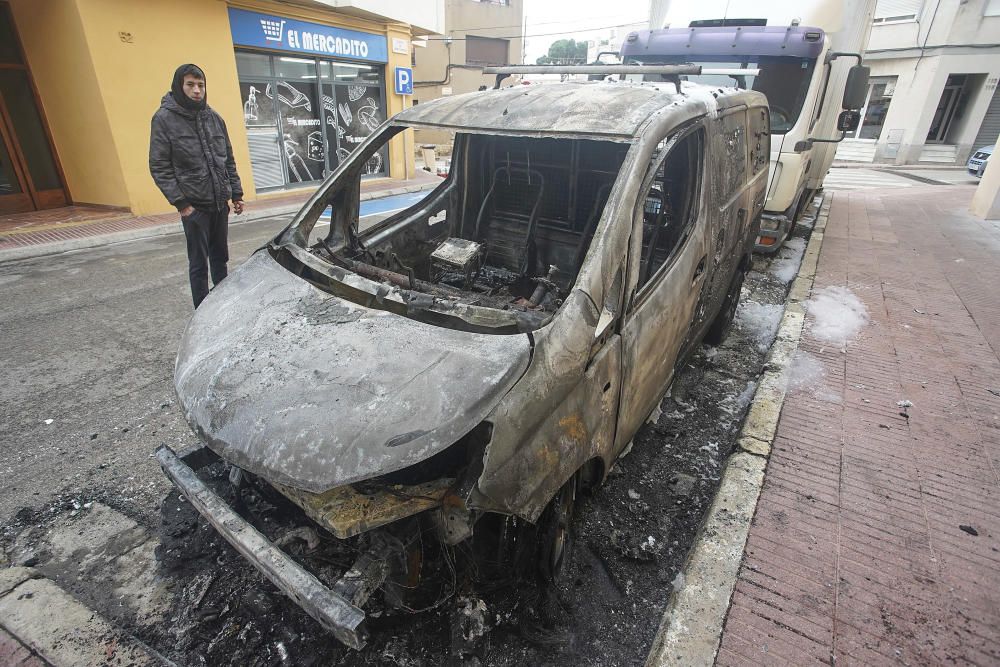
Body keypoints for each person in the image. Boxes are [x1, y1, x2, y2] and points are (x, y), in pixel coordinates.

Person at [149, 64, 244, 308]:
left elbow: (228, 159)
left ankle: (223, 306)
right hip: (195, 208)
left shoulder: (214, 118)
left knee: (220, 258)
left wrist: (236, 193)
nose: (197, 91)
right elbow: (159, 166)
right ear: (179, 87)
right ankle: (202, 310)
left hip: (219, 204)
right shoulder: (164, 119)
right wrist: (182, 203)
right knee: (199, 263)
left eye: (200, 85)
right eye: (190, 85)